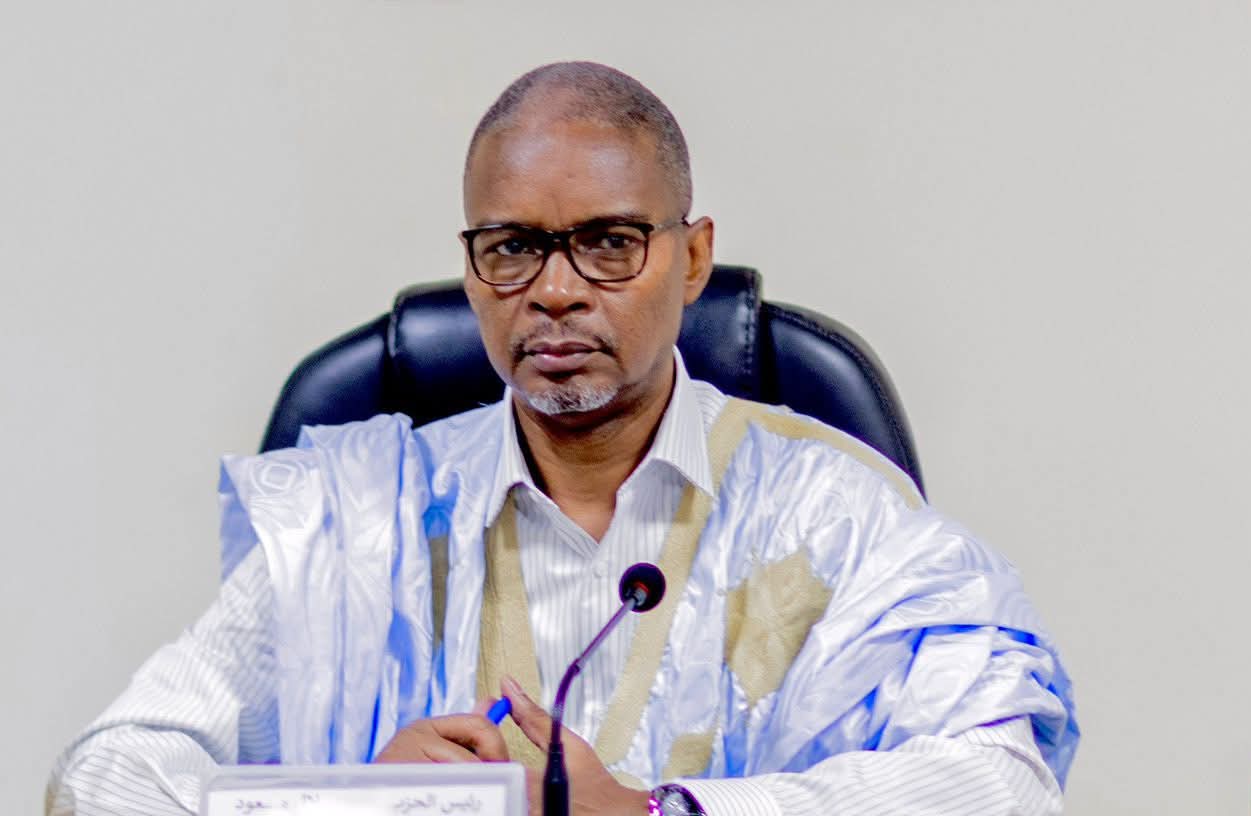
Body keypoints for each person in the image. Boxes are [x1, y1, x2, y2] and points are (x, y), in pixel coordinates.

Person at [47, 61, 1078, 816]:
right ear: (472, 268)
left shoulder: (837, 512)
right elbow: (101, 777)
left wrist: (650, 813)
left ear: (692, 259)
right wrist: (354, 805)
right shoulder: (360, 523)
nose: (554, 290)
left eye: (608, 244)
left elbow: (1001, 783)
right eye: (512, 248)